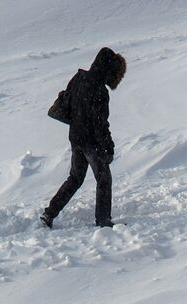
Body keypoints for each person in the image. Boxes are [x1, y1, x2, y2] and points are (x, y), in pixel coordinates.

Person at [41, 47, 127, 229]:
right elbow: (100, 124)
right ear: (108, 69)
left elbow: (66, 102)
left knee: (75, 178)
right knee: (104, 180)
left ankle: (49, 213)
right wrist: (108, 147)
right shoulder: (100, 91)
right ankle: (103, 221)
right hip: (91, 143)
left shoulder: (79, 78)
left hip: (76, 138)